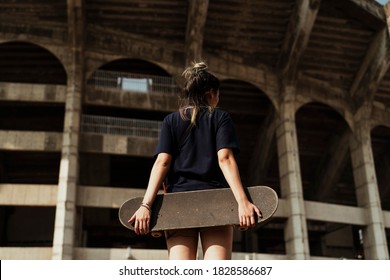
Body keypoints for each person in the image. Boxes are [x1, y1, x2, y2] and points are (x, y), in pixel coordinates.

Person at [129, 61, 261, 260]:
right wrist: (242, 202)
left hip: (179, 205)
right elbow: (225, 159)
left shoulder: (171, 121)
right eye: (218, 95)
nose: (218, 99)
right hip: (215, 202)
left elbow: (162, 163)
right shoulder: (220, 118)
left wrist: (146, 205)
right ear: (211, 94)